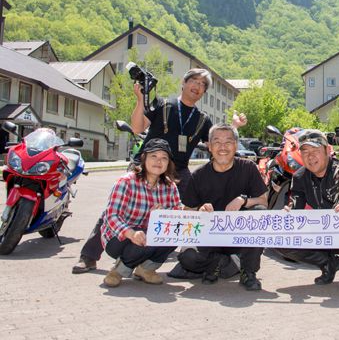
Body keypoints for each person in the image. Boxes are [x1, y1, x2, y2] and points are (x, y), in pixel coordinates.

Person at [72, 67, 246, 274]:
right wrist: (139, 100)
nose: (197, 87)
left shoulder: (203, 119)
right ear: (184, 82)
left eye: (202, 85)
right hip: (147, 164)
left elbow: (219, 143)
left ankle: (189, 255)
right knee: (116, 209)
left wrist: (235, 127)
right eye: (195, 81)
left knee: (194, 206)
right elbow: (137, 127)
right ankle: (89, 256)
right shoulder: (163, 104)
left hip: (178, 170)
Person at [168, 123, 267, 291]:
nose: (223, 147)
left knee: (260, 213)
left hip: (239, 238)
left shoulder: (248, 168)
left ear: (236, 145)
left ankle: (247, 271)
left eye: (228, 142)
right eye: (217, 142)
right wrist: (199, 212)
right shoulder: (198, 175)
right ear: (209, 146)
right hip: (210, 240)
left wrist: (243, 200)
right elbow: (187, 213)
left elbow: (263, 202)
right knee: (187, 258)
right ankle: (219, 263)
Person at [277, 129, 339, 294]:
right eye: (305, 151)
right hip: (321, 236)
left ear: (328, 151)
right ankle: (328, 263)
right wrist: (288, 215)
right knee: (280, 239)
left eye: (315, 151)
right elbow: (296, 208)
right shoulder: (300, 177)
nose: (310, 156)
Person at [101, 138, 181, 287]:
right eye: (154, 156)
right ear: (144, 158)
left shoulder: (170, 186)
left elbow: (178, 210)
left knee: (175, 233)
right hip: (118, 238)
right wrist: (131, 233)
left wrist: (166, 213)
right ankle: (117, 271)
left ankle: (145, 269)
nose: (159, 161)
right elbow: (112, 216)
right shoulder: (126, 181)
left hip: (147, 234)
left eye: (164, 158)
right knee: (146, 237)